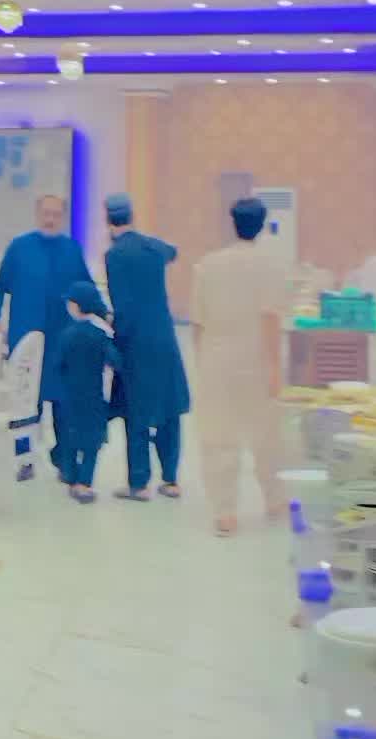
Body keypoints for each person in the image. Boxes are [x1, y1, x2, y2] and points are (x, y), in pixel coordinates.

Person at [192, 197, 287, 536]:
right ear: (261, 226)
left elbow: (198, 323)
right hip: (256, 357)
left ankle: (225, 513)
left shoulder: (207, 265)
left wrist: (202, 362)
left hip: (217, 357)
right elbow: (270, 318)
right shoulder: (271, 265)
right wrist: (274, 368)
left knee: (218, 436)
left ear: (232, 224)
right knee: (267, 433)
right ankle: (275, 500)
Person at [0, 195, 93, 480]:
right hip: (26, 340)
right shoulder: (19, 247)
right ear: (37, 214)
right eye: (46, 213)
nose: (50, 219)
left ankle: (64, 460)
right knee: (24, 402)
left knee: (64, 403)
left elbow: (85, 289)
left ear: (63, 217)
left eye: (56, 214)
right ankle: (25, 460)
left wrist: (98, 317)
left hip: (62, 341)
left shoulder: (72, 250)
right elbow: (0, 287)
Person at [104, 194, 190, 502]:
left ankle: (138, 484)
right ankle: (171, 480)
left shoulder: (114, 255)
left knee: (135, 410)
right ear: (132, 216)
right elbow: (173, 251)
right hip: (164, 339)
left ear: (108, 220)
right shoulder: (153, 246)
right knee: (168, 409)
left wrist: (115, 339)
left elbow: (121, 304)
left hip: (135, 342)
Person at [46, 280, 119, 504]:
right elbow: (116, 361)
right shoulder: (101, 334)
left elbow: (56, 364)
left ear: (75, 306)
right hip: (95, 397)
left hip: (69, 397)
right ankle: (85, 484)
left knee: (69, 438)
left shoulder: (67, 334)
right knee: (91, 443)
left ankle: (70, 476)